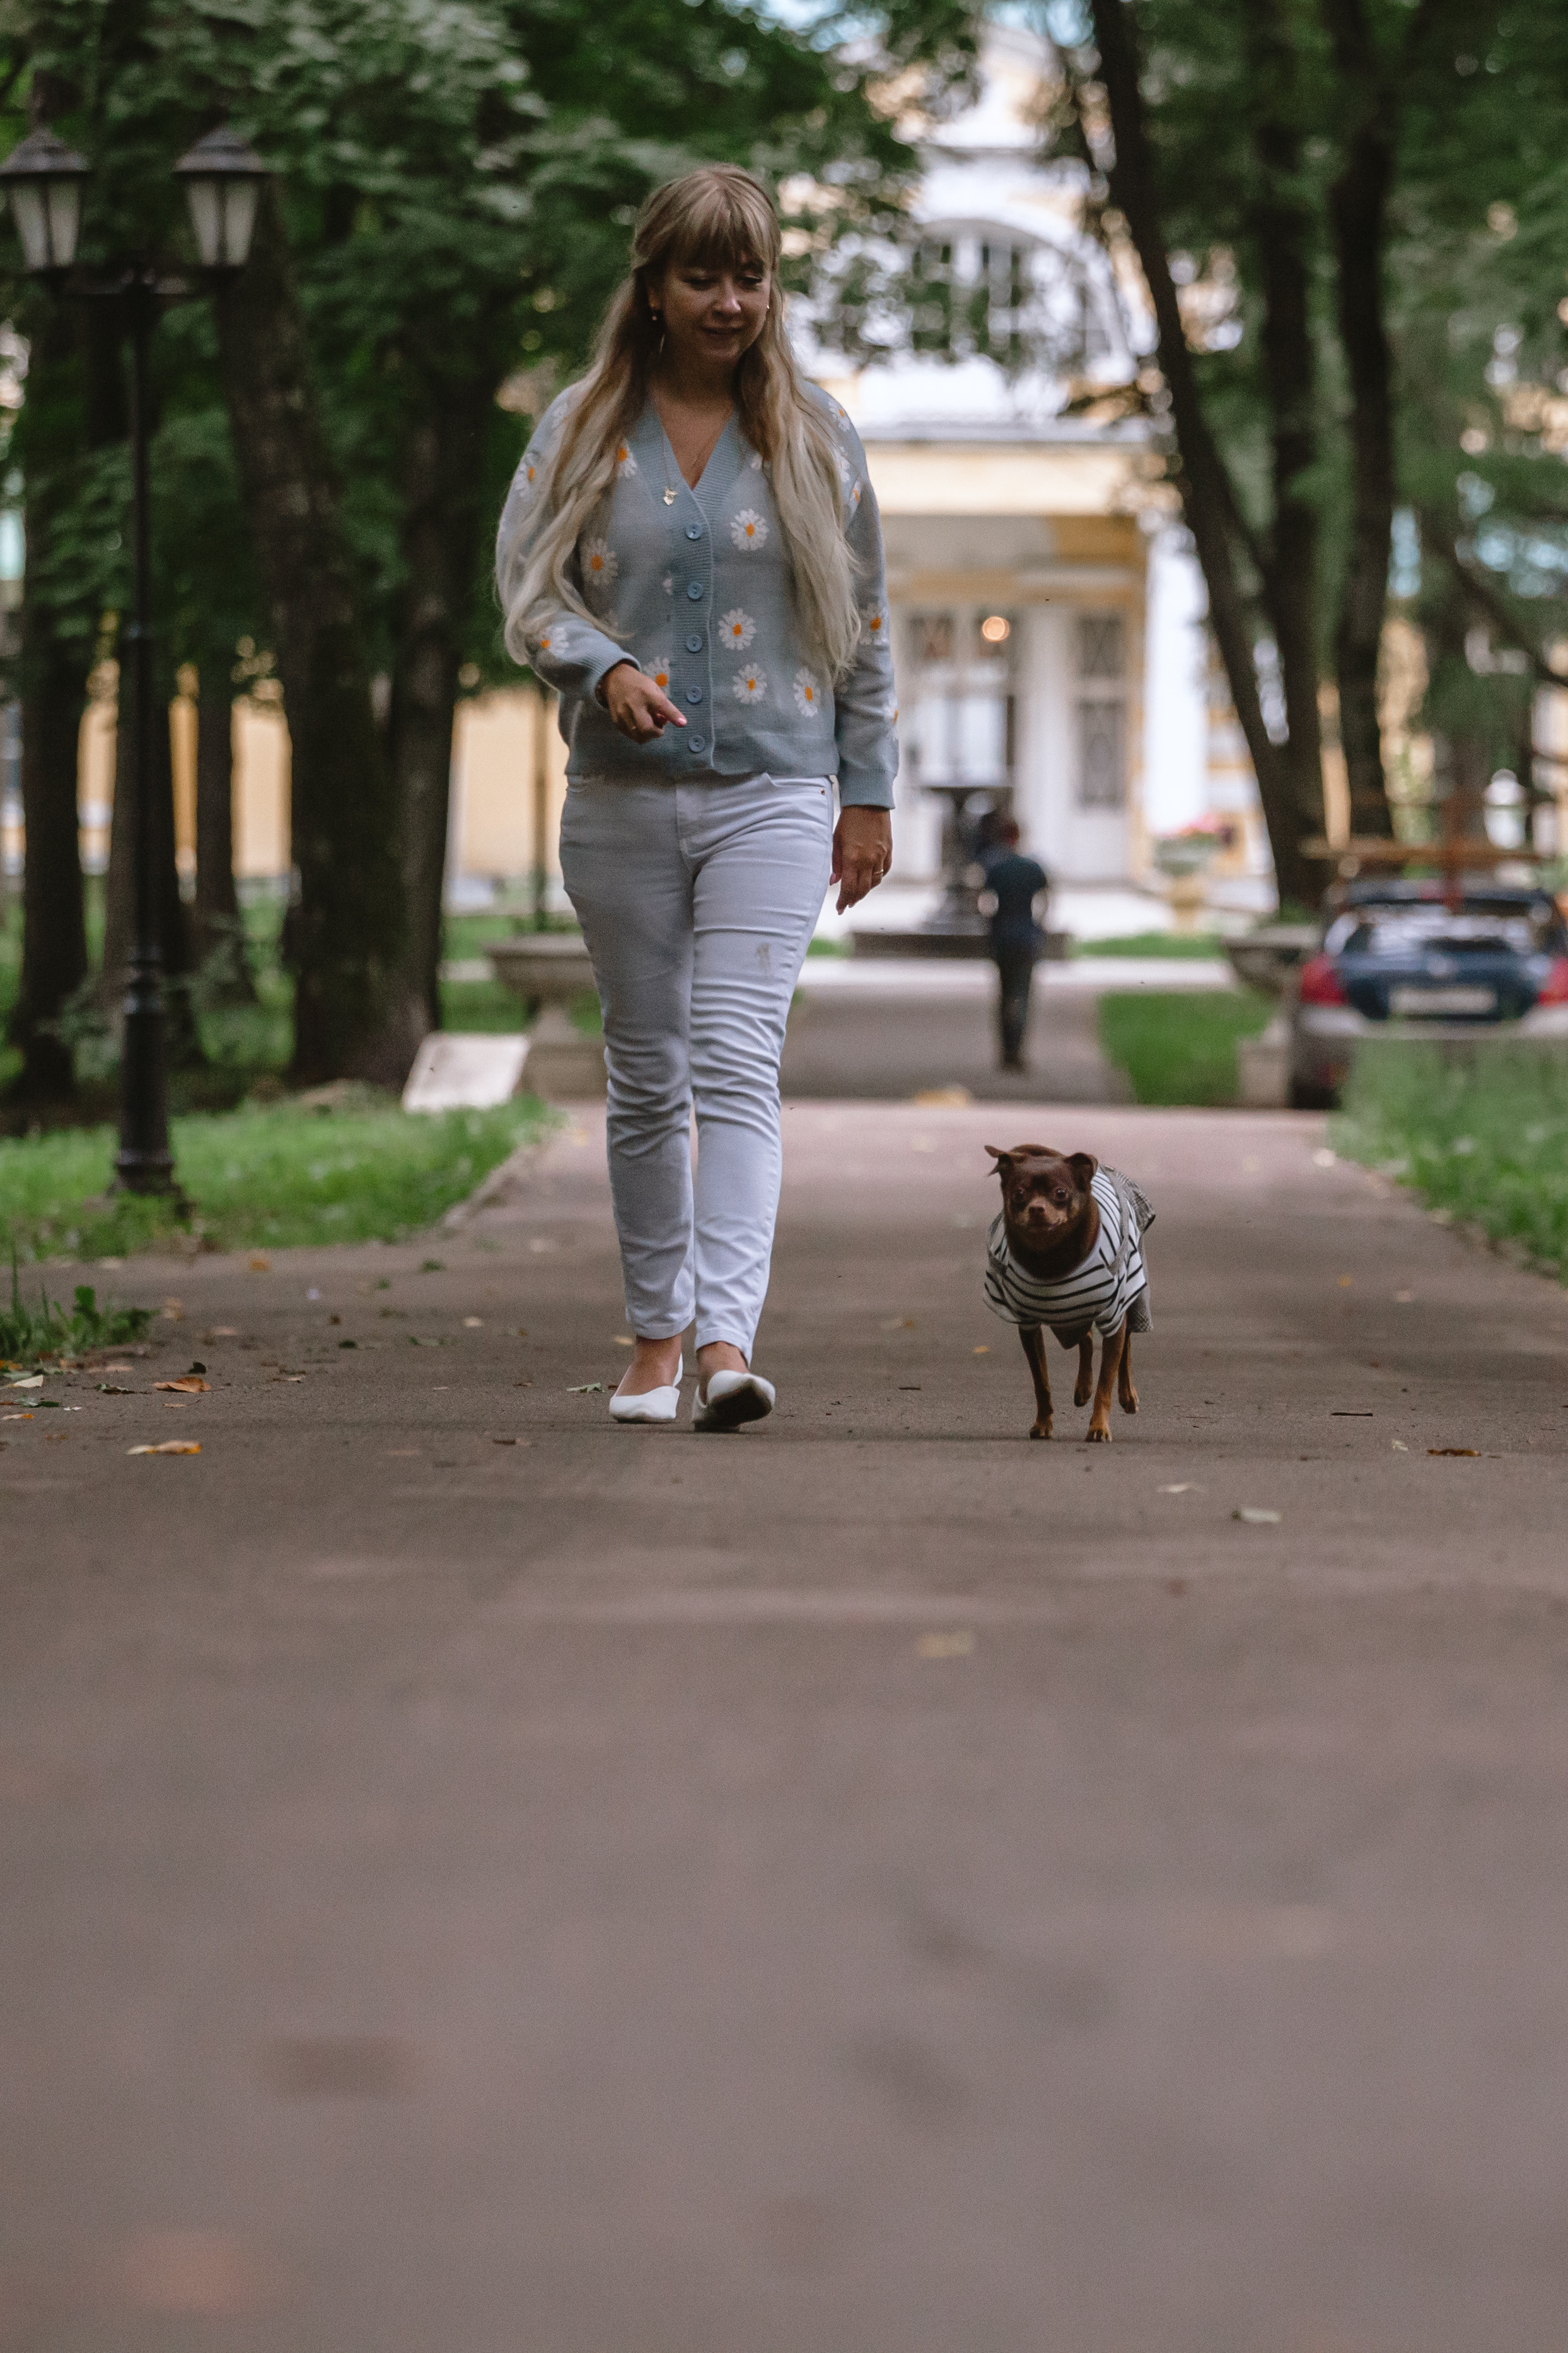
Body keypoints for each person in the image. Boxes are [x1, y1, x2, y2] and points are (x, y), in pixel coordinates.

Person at [496, 165, 898, 1430]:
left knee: (735, 1059)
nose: (730, 299)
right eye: (702, 275)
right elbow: (528, 590)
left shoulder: (815, 432)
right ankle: (654, 1335)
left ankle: (727, 1339)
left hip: (777, 790)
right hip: (618, 795)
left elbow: (869, 625)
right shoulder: (578, 424)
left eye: (751, 275)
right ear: (654, 288)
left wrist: (868, 791)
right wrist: (599, 666)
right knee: (645, 1071)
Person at [980, 820, 1049, 1071]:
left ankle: (1005, 1051)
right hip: (1026, 937)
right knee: (1022, 995)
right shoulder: (1032, 868)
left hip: (1002, 937)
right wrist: (1040, 926)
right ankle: (1018, 1050)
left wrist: (991, 925)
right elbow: (1045, 900)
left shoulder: (995, 867)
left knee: (1004, 994)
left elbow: (986, 902)